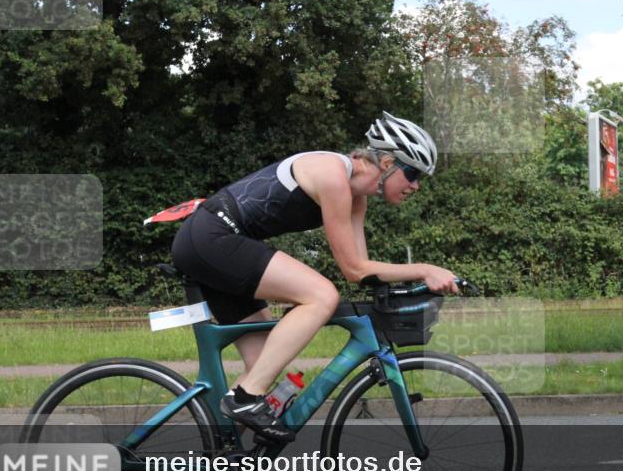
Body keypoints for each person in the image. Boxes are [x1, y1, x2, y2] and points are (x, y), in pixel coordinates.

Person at [171, 112, 458, 442]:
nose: (416, 185)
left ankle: (221, 457)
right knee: (322, 296)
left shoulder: (356, 199)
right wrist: (424, 269)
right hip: (212, 237)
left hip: (220, 243)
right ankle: (245, 399)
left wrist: (416, 282)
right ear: (388, 163)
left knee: (264, 363)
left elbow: (361, 271)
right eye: (413, 173)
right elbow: (354, 269)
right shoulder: (333, 176)